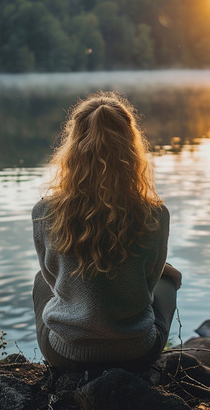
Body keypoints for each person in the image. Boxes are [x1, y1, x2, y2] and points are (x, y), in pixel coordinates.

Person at [32, 91, 181, 371]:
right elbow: (148, 286)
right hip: (136, 353)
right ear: (129, 146)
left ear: (73, 146)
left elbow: (52, 279)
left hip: (66, 355)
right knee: (168, 280)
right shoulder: (155, 213)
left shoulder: (45, 211)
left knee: (40, 281)